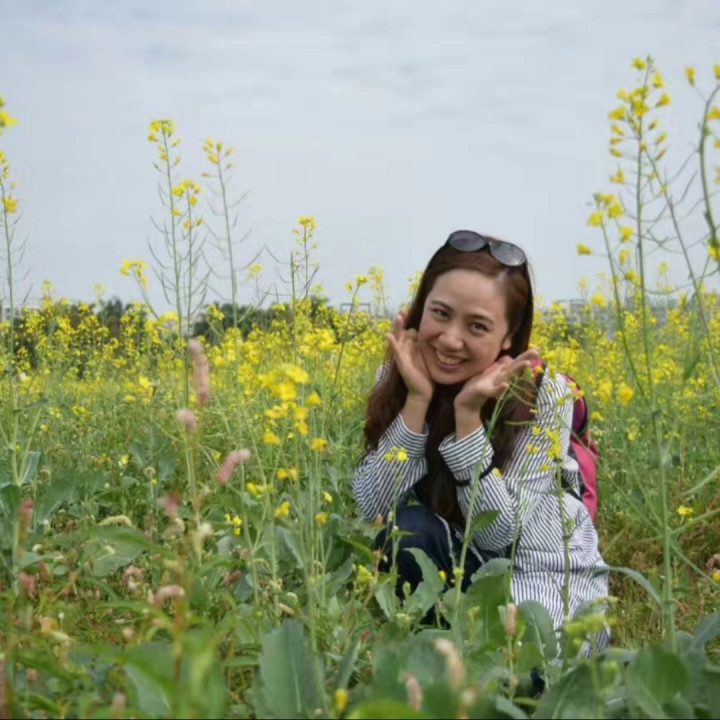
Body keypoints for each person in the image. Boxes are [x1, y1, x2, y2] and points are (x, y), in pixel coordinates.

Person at [353, 230, 608, 649]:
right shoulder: (402, 375)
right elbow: (373, 511)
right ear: (420, 309)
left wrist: (468, 418)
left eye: (477, 326)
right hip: (459, 560)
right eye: (440, 313)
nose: (451, 340)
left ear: (509, 336)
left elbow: (498, 536)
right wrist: (416, 401)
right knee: (406, 532)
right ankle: (445, 646)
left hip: (541, 571)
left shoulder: (545, 395)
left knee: (521, 663)